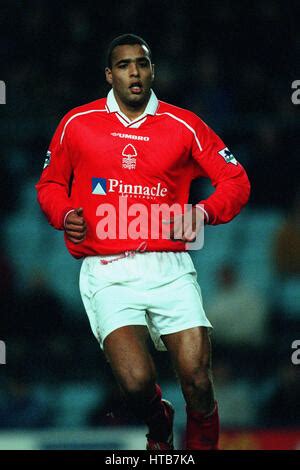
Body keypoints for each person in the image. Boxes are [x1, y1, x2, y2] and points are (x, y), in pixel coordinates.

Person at [36, 34, 250, 450]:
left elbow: (235, 180)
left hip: (169, 269)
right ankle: (159, 419)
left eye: (143, 63)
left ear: (152, 70)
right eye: (124, 65)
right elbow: (50, 184)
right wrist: (63, 214)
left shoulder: (184, 124)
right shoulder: (77, 123)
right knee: (135, 384)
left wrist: (201, 212)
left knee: (199, 382)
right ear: (109, 74)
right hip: (109, 270)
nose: (134, 72)